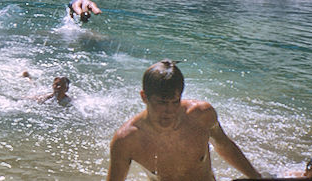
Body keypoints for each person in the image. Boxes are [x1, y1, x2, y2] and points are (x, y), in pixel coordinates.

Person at [107, 59, 261, 181]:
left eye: (175, 102)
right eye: (161, 103)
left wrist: (256, 177)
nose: (169, 111)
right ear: (144, 97)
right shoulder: (126, 140)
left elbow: (224, 145)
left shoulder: (202, 116)